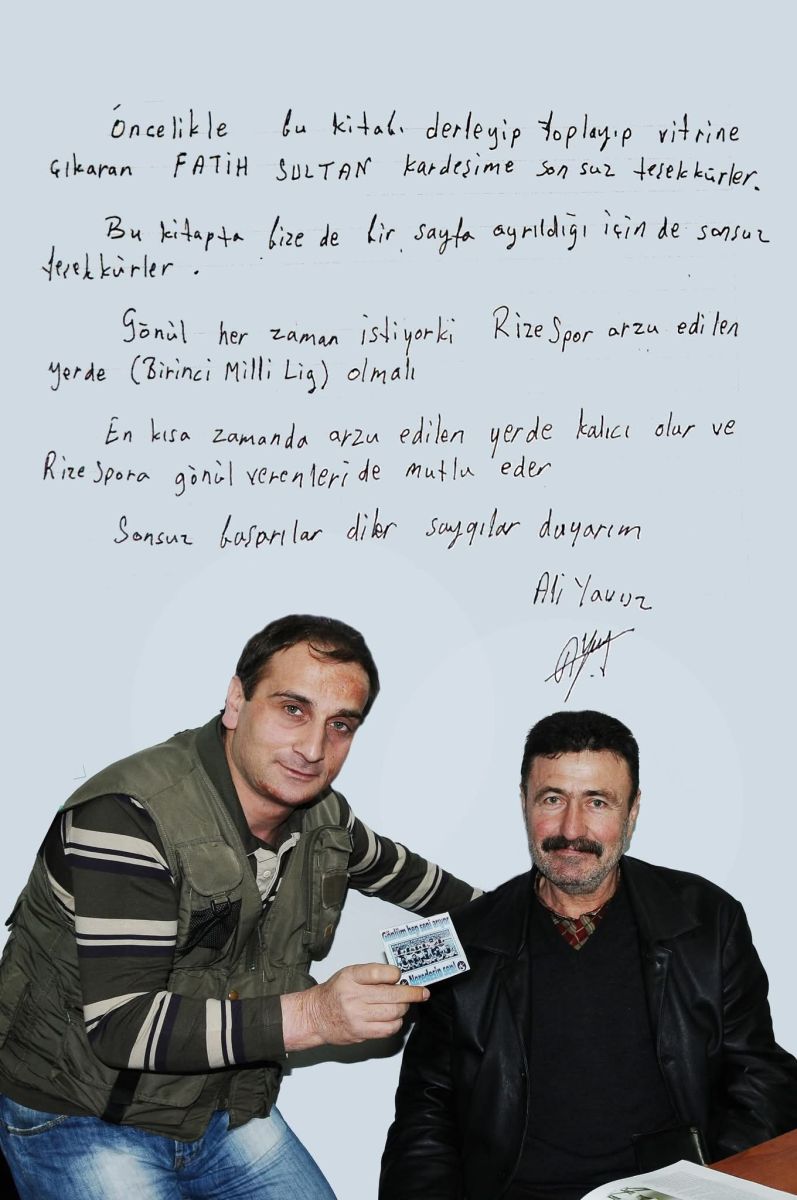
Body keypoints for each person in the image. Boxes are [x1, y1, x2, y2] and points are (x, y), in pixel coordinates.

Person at [0, 614, 480, 1200]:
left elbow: (411, 878)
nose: (313, 749)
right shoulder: (128, 817)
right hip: (81, 1113)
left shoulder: (324, 817)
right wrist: (317, 1016)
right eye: (293, 709)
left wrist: (529, 911)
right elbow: (124, 1026)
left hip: (218, 1109)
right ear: (236, 701)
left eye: (340, 725)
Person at [380, 710, 797, 1200]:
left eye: (597, 802)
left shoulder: (709, 920)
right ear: (523, 802)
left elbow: (759, 1077)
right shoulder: (457, 940)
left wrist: (711, 1188)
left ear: (632, 810)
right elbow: (424, 1119)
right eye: (552, 799)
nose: (571, 828)